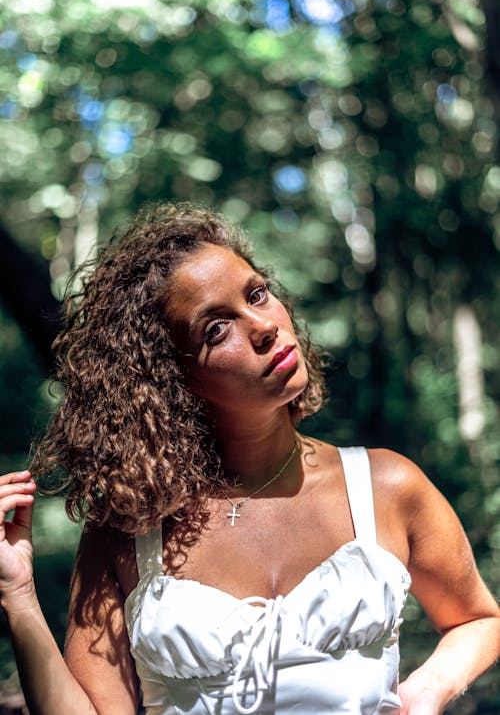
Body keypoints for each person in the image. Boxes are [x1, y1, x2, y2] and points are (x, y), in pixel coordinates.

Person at [0, 201, 498, 715]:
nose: (263, 326)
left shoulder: (386, 485)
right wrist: (18, 597)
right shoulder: (130, 526)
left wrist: (429, 689)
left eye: (258, 294)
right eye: (216, 329)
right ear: (171, 382)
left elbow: (479, 619)